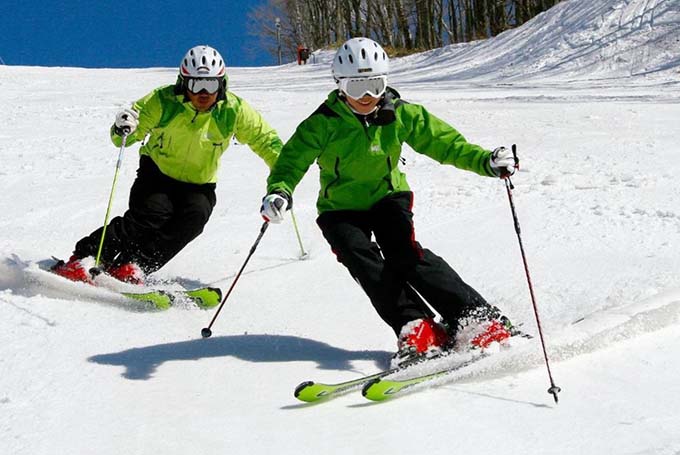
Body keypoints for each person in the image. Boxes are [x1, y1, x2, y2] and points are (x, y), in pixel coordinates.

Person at [261, 37, 521, 366]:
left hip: (388, 197)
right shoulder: (322, 123)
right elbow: (291, 161)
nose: (367, 96)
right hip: (340, 208)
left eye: (374, 85)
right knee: (365, 264)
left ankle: (477, 319)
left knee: (405, 255)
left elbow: (445, 144)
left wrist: (485, 161)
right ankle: (418, 327)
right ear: (340, 86)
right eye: (357, 87)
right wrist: (280, 190)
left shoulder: (401, 114)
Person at [53, 45, 283, 285]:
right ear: (184, 84)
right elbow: (127, 132)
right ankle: (86, 257)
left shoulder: (234, 111)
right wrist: (125, 127)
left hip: (199, 183)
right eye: (196, 85)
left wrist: (284, 176)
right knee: (151, 215)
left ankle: (134, 266)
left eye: (211, 86)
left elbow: (266, 140)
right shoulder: (163, 100)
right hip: (158, 173)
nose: (204, 93)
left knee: (194, 219)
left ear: (222, 85)